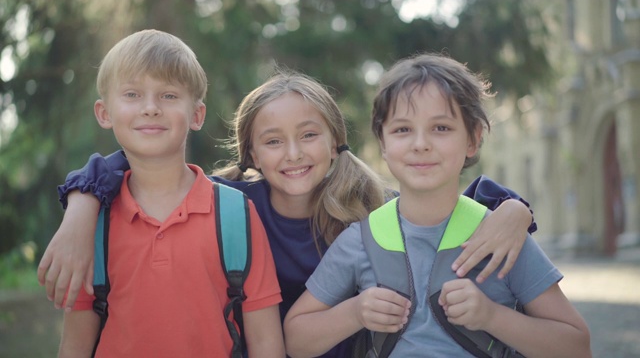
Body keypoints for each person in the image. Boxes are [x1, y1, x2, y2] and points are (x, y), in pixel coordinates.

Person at [42, 70, 535, 357]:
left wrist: (513, 208)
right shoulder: (226, 206)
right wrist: (81, 206)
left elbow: (452, 200)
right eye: (273, 141)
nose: (294, 154)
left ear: (336, 140)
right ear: (251, 153)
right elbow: (126, 167)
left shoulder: (370, 208)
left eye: (309, 135)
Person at [283, 53, 591, 357]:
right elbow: (296, 340)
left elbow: (577, 347)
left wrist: (492, 317)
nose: (421, 144)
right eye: (402, 129)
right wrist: (355, 313)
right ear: (383, 145)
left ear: (473, 139)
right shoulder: (361, 240)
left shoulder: (502, 237)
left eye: (441, 128)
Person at [55, 29, 284, 357]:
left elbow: (266, 344)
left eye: (169, 95)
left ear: (197, 115)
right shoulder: (92, 222)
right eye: (132, 94)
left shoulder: (234, 214)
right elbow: (75, 347)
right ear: (104, 113)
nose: (150, 108)